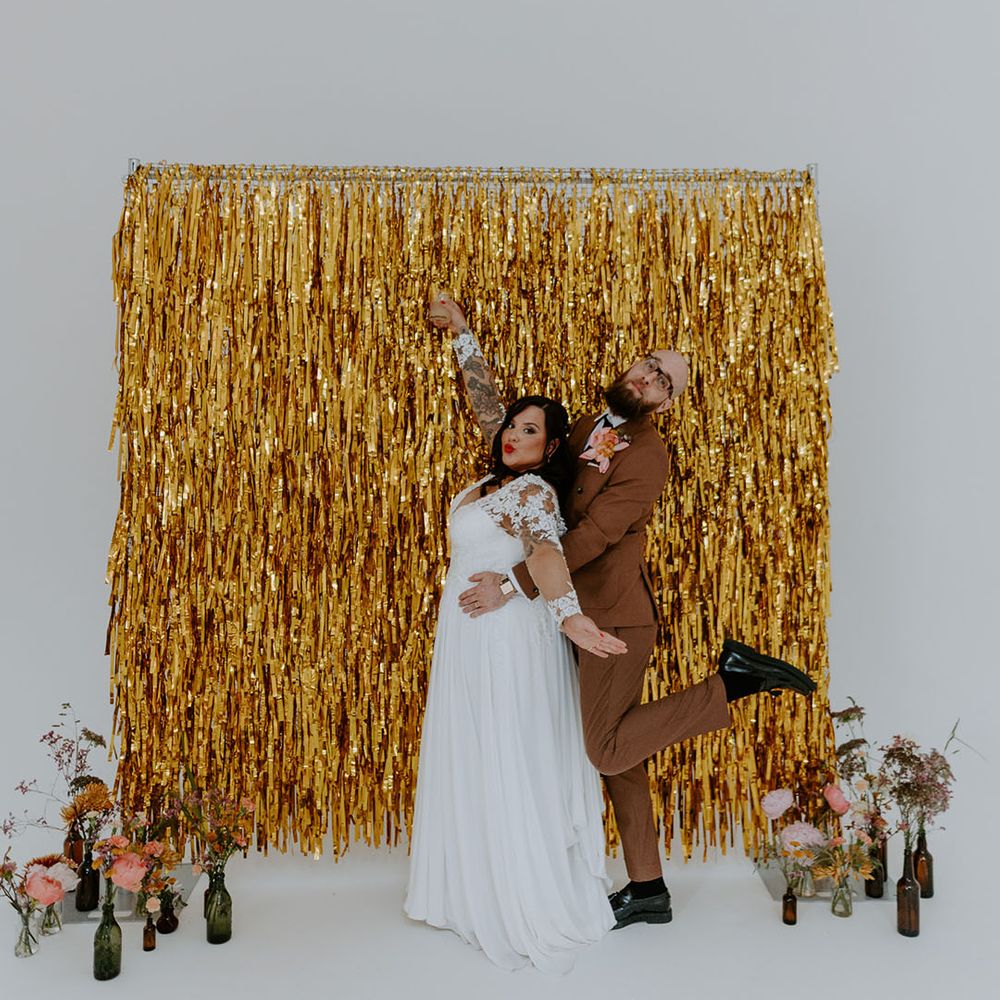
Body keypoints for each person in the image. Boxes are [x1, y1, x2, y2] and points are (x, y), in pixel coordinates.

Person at [430, 293, 816, 930]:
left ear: (668, 402)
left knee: (605, 750)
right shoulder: (582, 427)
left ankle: (732, 682)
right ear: (633, 367)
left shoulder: (648, 454)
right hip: (557, 616)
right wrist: (465, 337)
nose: (649, 378)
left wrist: (512, 585)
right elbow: (502, 422)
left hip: (608, 614)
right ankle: (648, 887)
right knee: (624, 757)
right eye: (648, 365)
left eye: (665, 380)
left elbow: (590, 538)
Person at [404, 383, 628, 972]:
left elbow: (545, 556)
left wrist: (570, 617)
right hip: (468, 639)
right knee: (476, 749)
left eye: (531, 431)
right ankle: (472, 887)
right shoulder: (497, 477)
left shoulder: (531, 491)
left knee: (506, 747)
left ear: (551, 447)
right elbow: (487, 408)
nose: (513, 435)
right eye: (512, 427)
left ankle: (516, 890)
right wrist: (461, 336)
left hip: (506, 638)